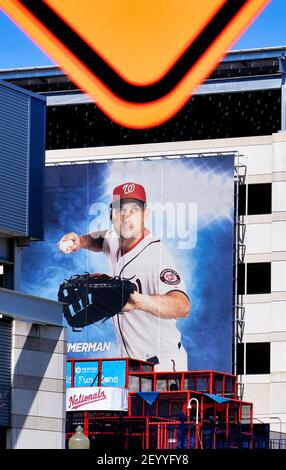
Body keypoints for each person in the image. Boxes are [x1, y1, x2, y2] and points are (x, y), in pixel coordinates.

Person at [58, 182, 190, 371]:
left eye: (134, 210)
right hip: (133, 366)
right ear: (112, 216)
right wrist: (81, 241)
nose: (126, 216)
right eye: (120, 210)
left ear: (146, 214)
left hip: (163, 365)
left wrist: (140, 302)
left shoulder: (156, 255)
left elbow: (182, 306)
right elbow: (102, 238)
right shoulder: (113, 241)